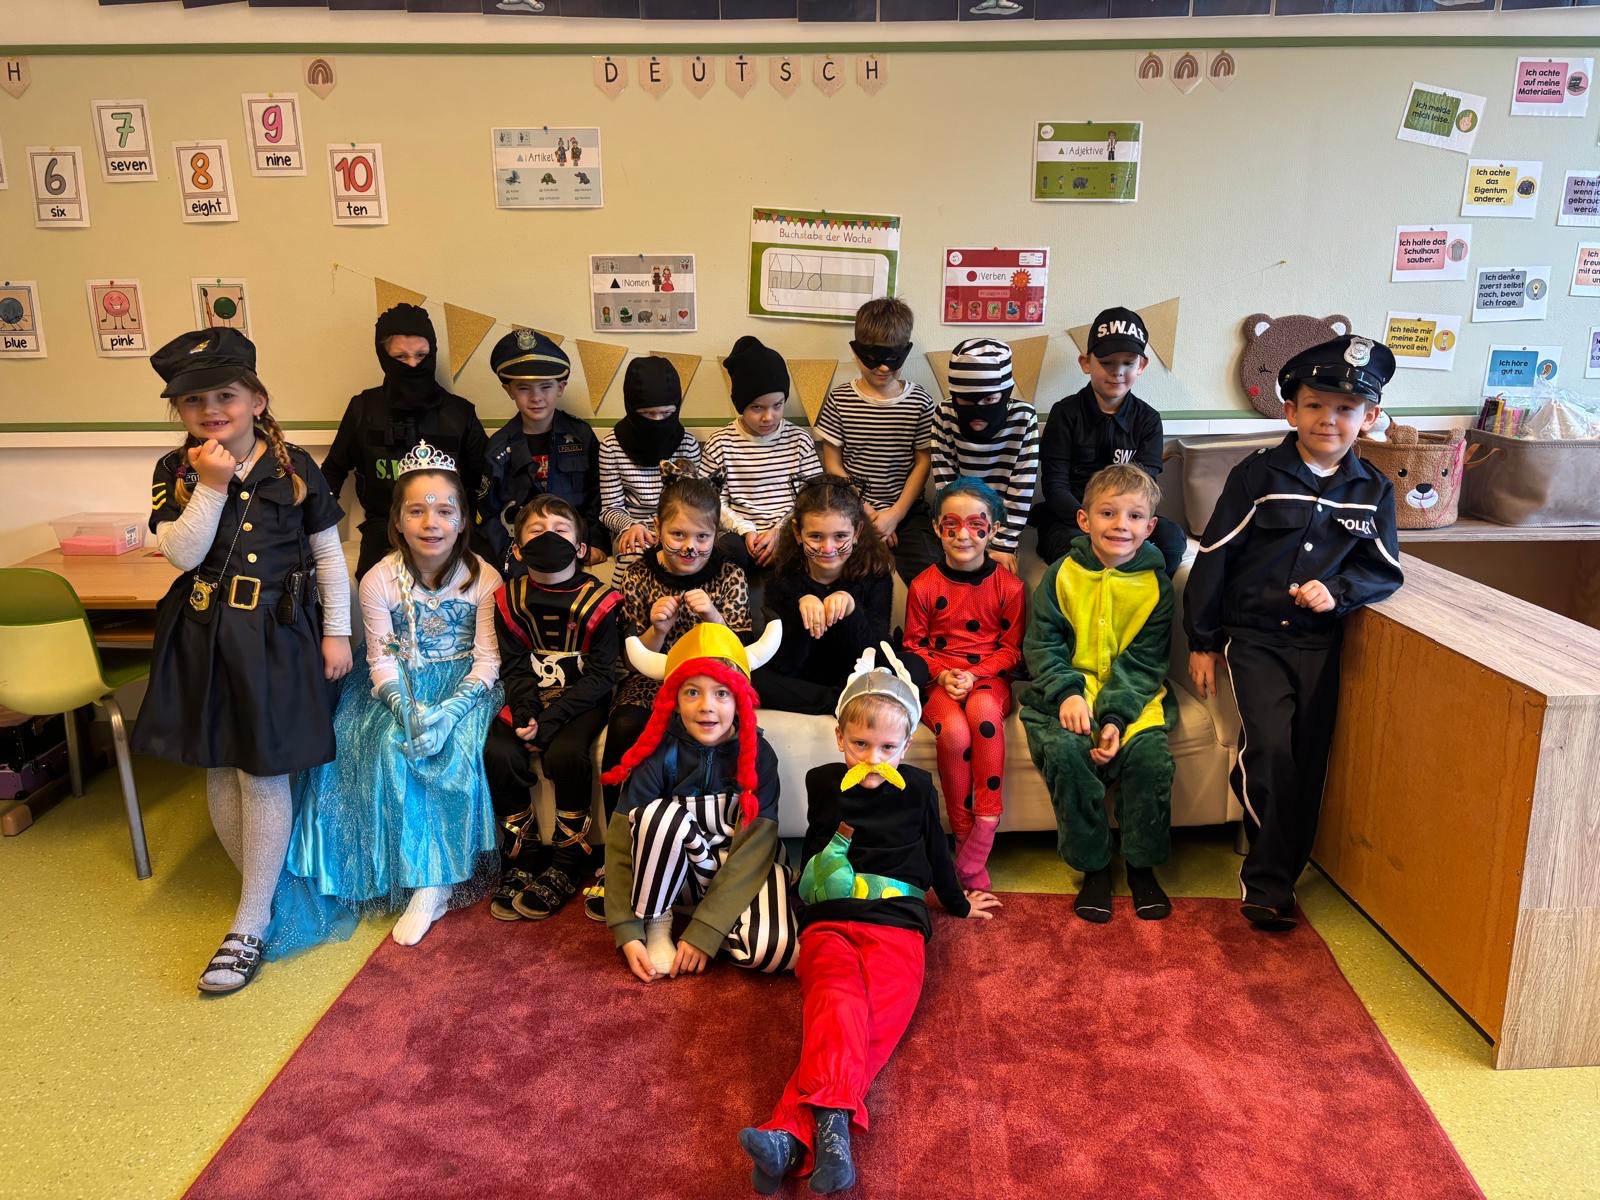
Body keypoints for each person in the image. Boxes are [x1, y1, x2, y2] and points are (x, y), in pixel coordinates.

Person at [134, 329, 353, 994]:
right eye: (193, 400)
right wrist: (210, 484)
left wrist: (338, 633)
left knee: (262, 769)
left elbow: (328, 554)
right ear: (179, 410)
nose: (210, 409)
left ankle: (250, 920)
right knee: (220, 762)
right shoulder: (174, 469)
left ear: (257, 400)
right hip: (204, 631)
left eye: (225, 395)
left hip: (277, 633)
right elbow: (181, 554)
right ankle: (261, 897)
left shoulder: (295, 466)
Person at [737, 645, 999, 1196]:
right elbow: (815, 851)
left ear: (906, 745)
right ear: (840, 739)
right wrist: (806, 908)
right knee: (835, 1001)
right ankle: (826, 1132)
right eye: (860, 744)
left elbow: (936, 851)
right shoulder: (823, 782)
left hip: (898, 923)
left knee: (875, 1017)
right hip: (831, 920)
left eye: (887, 747)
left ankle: (793, 1135)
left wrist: (957, 902)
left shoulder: (919, 788)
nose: (873, 758)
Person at [1185, 335, 1404, 932]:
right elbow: (1215, 556)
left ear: (1369, 417)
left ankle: (1279, 866)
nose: (1328, 419)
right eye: (1314, 405)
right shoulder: (1258, 474)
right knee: (1274, 752)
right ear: (1290, 411)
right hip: (1255, 639)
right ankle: (1266, 886)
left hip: (1319, 643)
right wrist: (1202, 640)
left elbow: (1384, 569)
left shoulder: (1373, 490)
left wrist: (1339, 592)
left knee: (1306, 763)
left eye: (1346, 408)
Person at [280, 442, 503, 948]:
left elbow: (488, 660)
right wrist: (407, 710)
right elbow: (380, 660)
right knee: (388, 746)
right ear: (398, 521)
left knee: (455, 749)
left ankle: (436, 883)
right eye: (416, 510)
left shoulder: (483, 577)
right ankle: (409, 871)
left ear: (462, 521)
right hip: (395, 687)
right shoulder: (379, 578)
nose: (431, 523)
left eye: (445, 511)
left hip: (465, 687)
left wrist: (448, 714)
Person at [1020, 464, 1177, 923]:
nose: (1120, 525)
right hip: (1065, 695)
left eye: (1134, 516)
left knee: (1151, 762)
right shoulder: (1060, 575)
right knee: (1066, 754)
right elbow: (1042, 645)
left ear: (1149, 527)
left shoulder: (1157, 586)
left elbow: (1146, 662)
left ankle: (1142, 865)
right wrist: (1068, 694)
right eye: (1108, 513)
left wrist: (1114, 719)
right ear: (1084, 520)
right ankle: (1094, 867)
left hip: (1133, 701)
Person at [600, 622, 795, 979]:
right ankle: (658, 919)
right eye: (692, 692)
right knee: (657, 817)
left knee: (776, 951)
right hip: (681, 874)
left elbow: (755, 850)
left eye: (721, 693)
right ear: (674, 699)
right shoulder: (658, 752)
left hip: (739, 869)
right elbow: (621, 840)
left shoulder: (760, 756)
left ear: (739, 699)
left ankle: (714, 920)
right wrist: (626, 929)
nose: (707, 707)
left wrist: (707, 931)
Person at [484, 494, 622, 922]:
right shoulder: (507, 599)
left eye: (560, 530)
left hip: (582, 701)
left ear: (581, 548)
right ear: (518, 549)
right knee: (499, 751)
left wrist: (550, 722)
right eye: (536, 530)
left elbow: (603, 675)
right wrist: (527, 713)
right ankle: (522, 859)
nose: (549, 537)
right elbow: (514, 666)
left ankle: (568, 861)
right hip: (529, 697)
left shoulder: (603, 601)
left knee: (566, 753)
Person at [600, 472, 754, 841]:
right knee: (626, 724)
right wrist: (658, 630)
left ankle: (717, 832)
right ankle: (622, 838)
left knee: (735, 726)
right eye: (678, 535)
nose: (690, 548)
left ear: (716, 534)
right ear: (658, 528)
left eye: (702, 537)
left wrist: (713, 618)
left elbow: (739, 658)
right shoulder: (638, 574)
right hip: (652, 680)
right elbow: (632, 659)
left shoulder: (729, 575)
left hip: (713, 680)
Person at [899, 479, 1025, 891]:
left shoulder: (1010, 587)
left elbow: (1012, 650)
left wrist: (975, 674)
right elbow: (913, 646)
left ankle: (986, 824)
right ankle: (964, 836)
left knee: (984, 713)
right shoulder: (924, 585)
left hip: (989, 679)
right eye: (951, 525)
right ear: (937, 528)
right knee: (953, 733)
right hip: (940, 681)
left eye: (976, 524)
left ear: (994, 529)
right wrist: (942, 674)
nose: (963, 535)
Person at [321, 303, 489, 580]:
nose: (412, 365)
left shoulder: (459, 412)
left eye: (421, 355)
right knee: (374, 583)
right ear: (383, 356)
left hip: (450, 528)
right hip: (385, 528)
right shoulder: (363, 408)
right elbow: (333, 471)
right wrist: (317, 530)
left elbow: (483, 480)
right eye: (401, 357)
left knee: (484, 579)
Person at [1036, 306, 1187, 577]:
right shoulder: (1065, 414)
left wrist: (1119, 524)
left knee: (1172, 538)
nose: (1117, 371)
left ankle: (1140, 594)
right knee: (1069, 547)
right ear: (1086, 363)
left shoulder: (1148, 420)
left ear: (1141, 366)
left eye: (1128, 362)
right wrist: (1093, 524)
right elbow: (1055, 487)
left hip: (1124, 520)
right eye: (1107, 362)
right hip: (1074, 519)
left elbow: (1144, 490)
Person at [814, 296, 940, 584]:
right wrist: (868, 513)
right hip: (851, 509)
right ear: (857, 351)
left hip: (907, 509)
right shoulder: (840, 399)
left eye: (893, 359)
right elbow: (832, 464)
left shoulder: (920, 401)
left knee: (930, 576)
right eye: (874, 359)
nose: (883, 368)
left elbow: (923, 462)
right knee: (850, 576)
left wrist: (894, 515)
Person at [756, 475, 894, 716]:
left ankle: (851, 698)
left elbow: (876, 656)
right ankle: (842, 702)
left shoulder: (875, 575)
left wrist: (851, 610)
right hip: (804, 682)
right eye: (816, 536)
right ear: (798, 533)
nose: (828, 548)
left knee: (910, 666)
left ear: (857, 532)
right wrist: (800, 610)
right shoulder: (782, 577)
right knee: (751, 675)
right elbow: (784, 664)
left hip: (857, 676)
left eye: (840, 536)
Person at [481, 329, 606, 577]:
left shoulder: (581, 436)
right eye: (524, 388)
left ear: (561, 388)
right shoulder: (498, 448)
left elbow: (598, 495)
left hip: (575, 547)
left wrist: (595, 542)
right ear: (509, 390)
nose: (536, 397)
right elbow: (489, 514)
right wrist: (508, 557)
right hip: (523, 554)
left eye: (546, 387)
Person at [701, 334, 822, 570]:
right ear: (741, 405)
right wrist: (746, 531)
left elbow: (812, 496)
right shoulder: (720, 443)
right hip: (739, 534)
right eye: (757, 407)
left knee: (808, 544)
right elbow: (712, 501)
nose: (768, 417)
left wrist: (780, 531)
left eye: (777, 405)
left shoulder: (799, 440)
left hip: (789, 531)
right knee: (726, 550)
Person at [930, 337, 1040, 576]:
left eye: (989, 400)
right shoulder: (944, 414)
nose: (978, 410)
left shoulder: (1024, 418)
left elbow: (1021, 487)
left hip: (1003, 525)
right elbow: (945, 482)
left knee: (998, 581)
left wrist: (1003, 544)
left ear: (1005, 394)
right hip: (958, 521)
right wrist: (961, 532)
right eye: (966, 400)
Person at [599, 356, 701, 561]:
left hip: (680, 529)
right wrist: (631, 525)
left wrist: (675, 533)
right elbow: (610, 509)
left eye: (666, 413)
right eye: (647, 414)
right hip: (633, 530)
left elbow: (696, 502)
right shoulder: (611, 446)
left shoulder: (687, 444)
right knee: (638, 555)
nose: (657, 421)